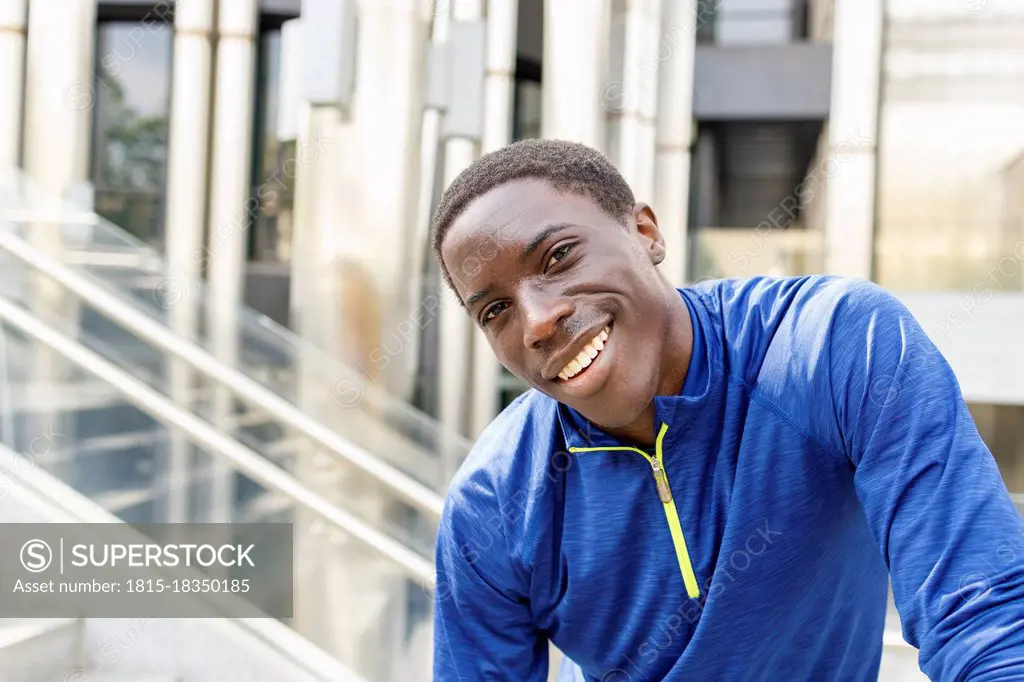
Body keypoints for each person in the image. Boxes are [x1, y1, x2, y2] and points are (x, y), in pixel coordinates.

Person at [429, 138, 1024, 681]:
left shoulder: (829, 347)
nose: (536, 321)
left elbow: (984, 616)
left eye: (559, 257)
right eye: (494, 311)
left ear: (645, 233)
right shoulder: (494, 504)